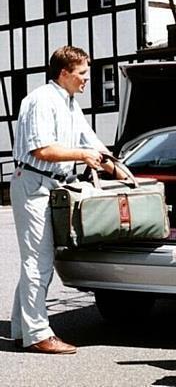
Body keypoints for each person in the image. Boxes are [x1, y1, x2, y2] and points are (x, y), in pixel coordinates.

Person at [10, 46, 124, 354]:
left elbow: (93, 145)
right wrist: (82, 155)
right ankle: (37, 335)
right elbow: (42, 150)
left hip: (54, 186)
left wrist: (122, 171)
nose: (88, 79)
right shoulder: (41, 101)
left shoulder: (71, 104)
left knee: (37, 261)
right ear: (64, 73)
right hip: (33, 182)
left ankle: (23, 329)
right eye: (83, 74)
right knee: (38, 261)